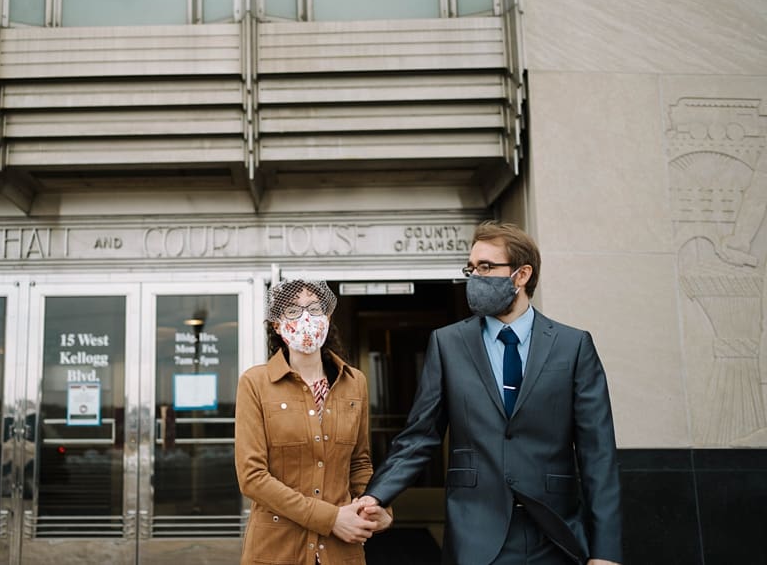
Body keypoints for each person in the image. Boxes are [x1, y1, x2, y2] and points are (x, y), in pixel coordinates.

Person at [357, 221, 622, 565]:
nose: (475, 278)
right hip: (475, 533)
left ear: (521, 274)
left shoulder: (573, 346)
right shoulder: (448, 343)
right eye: (472, 268)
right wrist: (377, 495)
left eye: (486, 267)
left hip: (556, 533)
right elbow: (420, 436)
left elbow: (597, 453)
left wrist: (606, 552)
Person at [235, 279, 392, 564]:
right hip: (276, 550)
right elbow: (252, 478)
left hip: (341, 551)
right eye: (293, 311)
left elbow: (359, 463)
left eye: (315, 308)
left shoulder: (355, 382)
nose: (306, 318)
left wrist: (378, 506)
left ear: (328, 317)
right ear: (277, 324)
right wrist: (330, 519)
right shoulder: (255, 383)